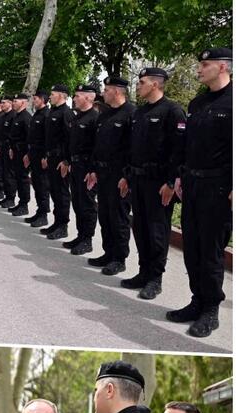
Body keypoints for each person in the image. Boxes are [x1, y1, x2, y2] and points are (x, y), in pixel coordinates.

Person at [169, 47, 233, 338]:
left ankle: (211, 310)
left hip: (218, 188)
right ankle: (197, 301)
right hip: (192, 184)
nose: (199, 69)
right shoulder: (197, 103)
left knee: (210, 251)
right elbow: (186, 144)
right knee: (192, 249)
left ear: (223, 67)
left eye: (205, 64)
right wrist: (180, 175)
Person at [119, 67, 186, 301]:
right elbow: (132, 148)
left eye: (142, 82)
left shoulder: (172, 111)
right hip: (137, 179)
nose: (138, 86)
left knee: (157, 231)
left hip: (159, 183)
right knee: (140, 228)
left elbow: (179, 151)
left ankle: (155, 279)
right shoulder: (139, 113)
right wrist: (127, 175)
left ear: (156, 84)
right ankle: (143, 272)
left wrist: (171, 182)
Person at [86, 76, 135, 275]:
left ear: (116, 91)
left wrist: (128, 175)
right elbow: (97, 146)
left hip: (119, 174)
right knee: (105, 215)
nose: (103, 93)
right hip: (103, 172)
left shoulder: (132, 113)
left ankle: (119, 257)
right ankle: (108, 252)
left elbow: (134, 148)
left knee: (118, 217)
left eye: (106, 90)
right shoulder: (104, 115)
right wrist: (93, 169)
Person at [62, 84, 100, 256]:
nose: (74, 99)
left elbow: (97, 147)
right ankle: (80, 235)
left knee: (87, 204)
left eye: (77, 96)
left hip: (86, 168)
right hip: (75, 165)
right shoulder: (77, 118)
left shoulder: (95, 118)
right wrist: (67, 161)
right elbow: (71, 143)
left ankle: (87, 240)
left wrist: (92, 169)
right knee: (77, 202)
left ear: (87, 98)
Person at [41, 84, 73, 239]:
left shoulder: (66, 113)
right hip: (51, 158)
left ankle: (63, 225)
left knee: (61, 193)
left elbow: (69, 139)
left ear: (61, 95)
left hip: (61, 160)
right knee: (53, 191)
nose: (50, 96)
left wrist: (66, 161)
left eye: (52, 94)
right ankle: (57, 222)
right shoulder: (53, 112)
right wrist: (47, 156)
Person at [25, 91, 52, 227]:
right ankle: (39, 211)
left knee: (43, 185)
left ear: (42, 99)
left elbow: (48, 138)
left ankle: (44, 215)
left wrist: (46, 156)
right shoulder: (37, 114)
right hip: (34, 154)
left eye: (35, 99)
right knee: (36, 184)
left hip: (42, 156)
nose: (33, 101)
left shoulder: (46, 115)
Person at [6, 94, 33, 217]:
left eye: (15, 101)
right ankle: (20, 203)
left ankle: (24, 205)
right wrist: (12, 148)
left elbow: (29, 138)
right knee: (17, 177)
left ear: (23, 103)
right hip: (15, 151)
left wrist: (28, 154)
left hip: (23, 153)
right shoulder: (17, 117)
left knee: (23, 179)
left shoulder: (26, 118)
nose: (13, 103)